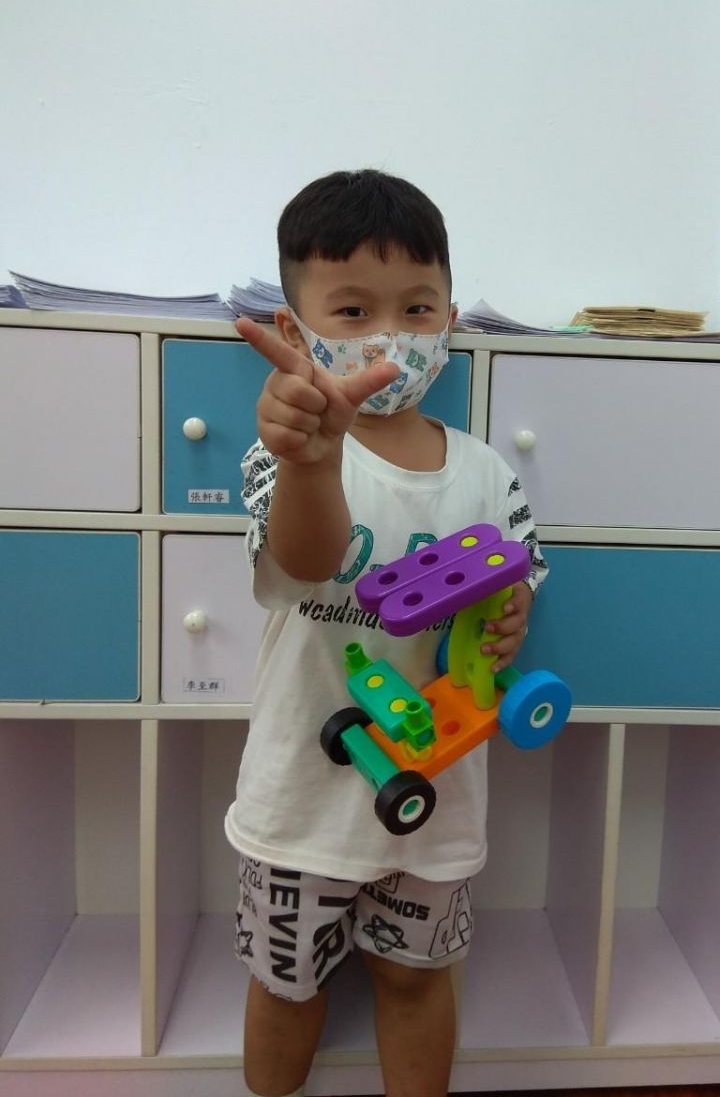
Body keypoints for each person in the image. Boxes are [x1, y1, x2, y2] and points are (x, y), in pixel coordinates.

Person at [226, 169, 547, 1097]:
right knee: (286, 987)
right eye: (354, 311)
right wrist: (312, 461)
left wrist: (510, 621)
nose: (391, 338)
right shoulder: (282, 456)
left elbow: (514, 585)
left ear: (450, 316)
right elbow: (304, 563)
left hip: (434, 802)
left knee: (415, 981)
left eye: (416, 308)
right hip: (300, 800)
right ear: (297, 333)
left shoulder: (485, 472)